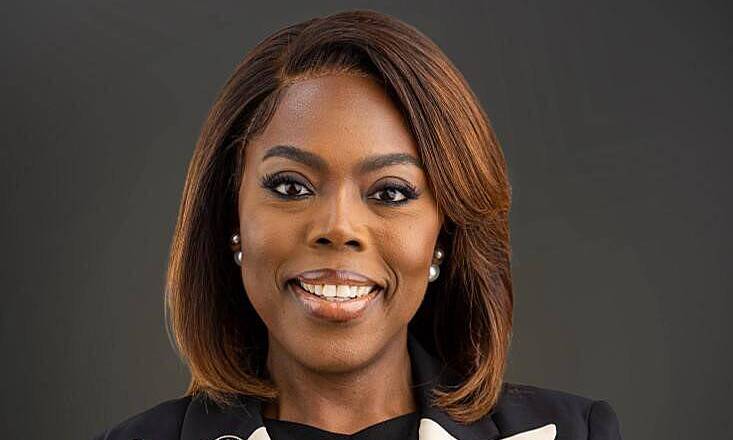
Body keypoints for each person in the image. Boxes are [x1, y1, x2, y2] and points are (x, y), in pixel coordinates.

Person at [93, 9, 622, 440]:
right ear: (231, 216)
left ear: (443, 237)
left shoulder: (577, 433)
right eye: (291, 187)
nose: (339, 227)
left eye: (390, 192)